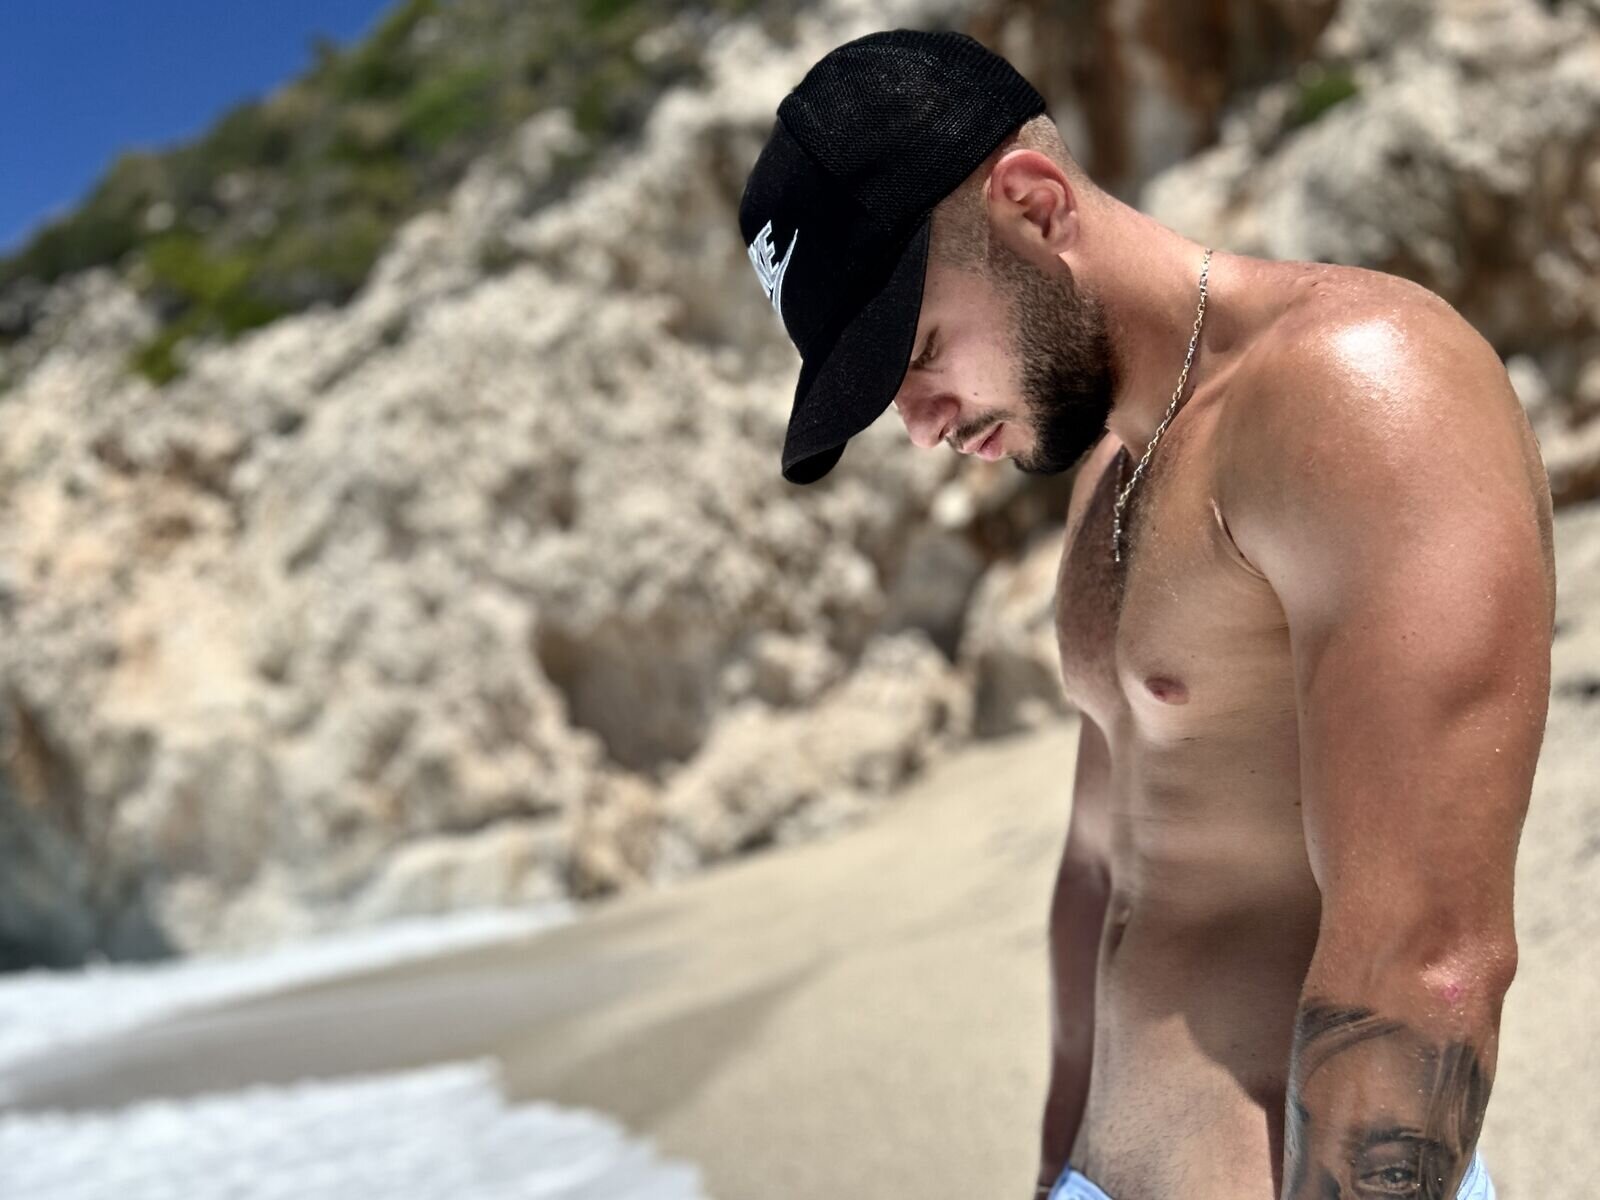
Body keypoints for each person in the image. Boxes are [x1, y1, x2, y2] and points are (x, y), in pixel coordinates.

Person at [737, 28, 1555, 1200]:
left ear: (1032, 205)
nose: (917, 426)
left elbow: (1425, 961)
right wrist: (1052, 1170)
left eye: (916, 352)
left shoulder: (1354, 388)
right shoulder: (1106, 483)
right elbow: (1103, 876)